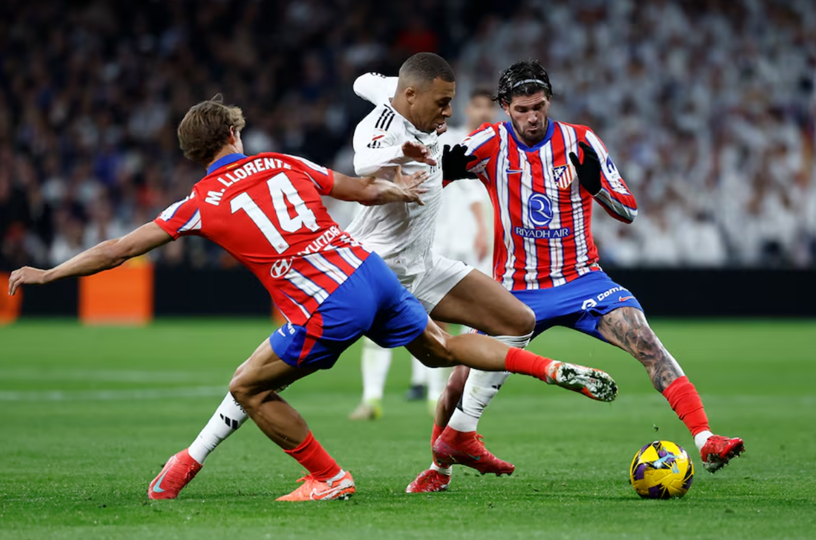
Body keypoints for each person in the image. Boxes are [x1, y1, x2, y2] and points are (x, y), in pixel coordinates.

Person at [8, 94, 618, 502]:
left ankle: (327, 476)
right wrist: (400, 191)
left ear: (194, 154)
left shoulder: (198, 203)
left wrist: (50, 274)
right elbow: (358, 190)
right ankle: (547, 365)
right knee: (442, 350)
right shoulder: (280, 161)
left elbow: (119, 248)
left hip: (327, 300)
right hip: (368, 268)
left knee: (248, 385)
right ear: (235, 134)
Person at [404, 60, 745, 493]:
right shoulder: (488, 142)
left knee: (647, 343)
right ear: (505, 107)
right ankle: (441, 468)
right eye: (522, 109)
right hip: (515, 288)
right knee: (457, 381)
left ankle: (705, 438)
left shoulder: (581, 142)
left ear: (549, 102)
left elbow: (629, 210)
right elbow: (424, 189)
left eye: (539, 107)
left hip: (582, 280)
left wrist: (596, 185)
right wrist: (442, 173)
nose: (532, 117)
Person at [348, 85, 496, 420]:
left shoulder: (488, 144)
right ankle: (376, 397)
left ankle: (437, 394)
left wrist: (485, 230)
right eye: (476, 106)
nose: (483, 113)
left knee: (450, 321)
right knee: (388, 315)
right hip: (422, 240)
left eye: (489, 107)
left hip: (461, 245)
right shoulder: (445, 136)